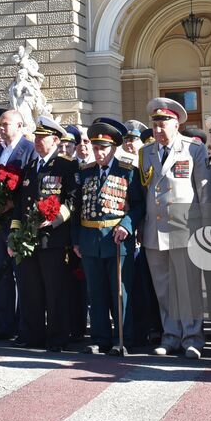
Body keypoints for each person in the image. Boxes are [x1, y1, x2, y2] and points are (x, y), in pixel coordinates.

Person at [140, 97, 211, 359]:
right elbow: (144, 190)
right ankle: (170, 336)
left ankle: (193, 338)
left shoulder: (193, 150)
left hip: (185, 227)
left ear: (177, 123)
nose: (158, 129)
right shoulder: (145, 152)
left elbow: (204, 189)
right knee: (165, 288)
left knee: (188, 287)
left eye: (163, 123)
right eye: (155, 124)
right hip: (154, 229)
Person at [7, 115, 77, 352]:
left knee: (55, 290)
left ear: (55, 140)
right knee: (30, 290)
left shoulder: (66, 165)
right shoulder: (30, 167)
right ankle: (32, 335)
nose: (37, 141)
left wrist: (54, 219)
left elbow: (72, 200)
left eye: (42, 137)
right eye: (36, 137)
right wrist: (14, 235)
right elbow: (20, 204)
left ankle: (57, 338)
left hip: (52, 239)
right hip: (27, 239)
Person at [74, 118, 142, 355]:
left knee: (119, 291)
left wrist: (126, 224)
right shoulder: (85, 173)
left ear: (114, 147)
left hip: (117, 240)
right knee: (97, 292)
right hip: (90, 240)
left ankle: (123, 339)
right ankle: (100, 338)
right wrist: (76, 239)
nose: (99, 152)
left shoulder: (127, 171)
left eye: (103, 148)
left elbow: (138, 205)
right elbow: (76, 208)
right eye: (95, 148)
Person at [0, 107, 35, 340]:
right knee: (0, 273)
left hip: (20, 223)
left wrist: (11, 204)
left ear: (19, 126)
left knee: (22, 276)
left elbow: (31, 188)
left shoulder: (29, 151)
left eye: (5, 125)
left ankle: (25, 326)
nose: (1, 129)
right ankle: (5, 324)